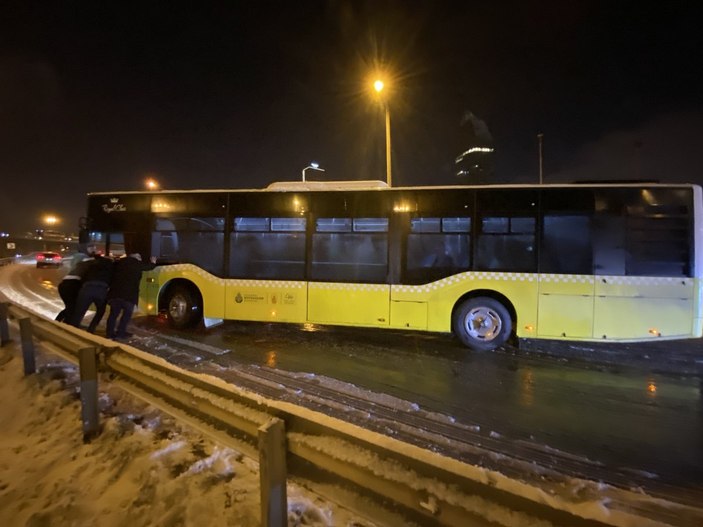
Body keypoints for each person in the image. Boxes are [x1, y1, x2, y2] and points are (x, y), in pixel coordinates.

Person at [105, 253, 155, 339]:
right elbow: (148, 267)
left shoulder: (118, 263)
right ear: (137, 258)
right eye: (140, 257)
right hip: (129, 295)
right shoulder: (137, 264)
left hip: (115, 294)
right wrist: (153, 262)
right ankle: (120, 333)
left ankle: (109, 334)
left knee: (113, 315)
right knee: (126, 316)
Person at [68, 248, 114, 333]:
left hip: (87, 288)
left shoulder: (91, 265)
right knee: (101, 310)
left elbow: (83, 276)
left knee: (80, 310)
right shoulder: (111, 267)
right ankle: (91, 329)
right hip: (101, 290)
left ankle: (73, 329)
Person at [55, 255, 93, 323]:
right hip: (72, 285)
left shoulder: (81, 265)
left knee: (70, 307)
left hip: (64, 285)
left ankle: (60, 322)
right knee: (72, 307)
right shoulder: (91, 267)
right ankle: (65, 324)